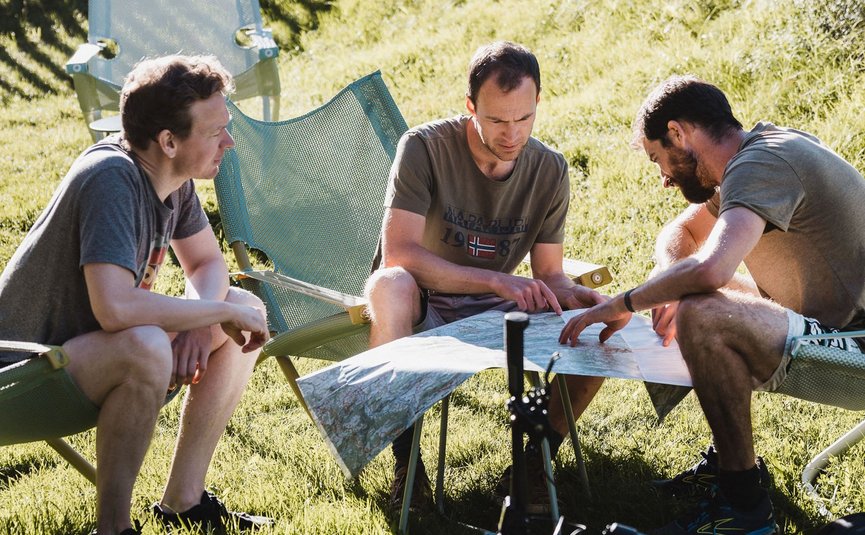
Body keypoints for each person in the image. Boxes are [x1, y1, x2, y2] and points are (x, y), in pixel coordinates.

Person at [560, 74, 865, 534]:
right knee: (693, 298)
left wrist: (625, 302)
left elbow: (711, 270)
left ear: (678, 133)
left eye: (658, 158)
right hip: (828, 321)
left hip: (856, 340)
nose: (664, 179)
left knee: (703, 312)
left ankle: (744, 511)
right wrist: (671, 279)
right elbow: (680, 233)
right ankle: (730, 469)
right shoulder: (750, 159)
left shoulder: (763, 164)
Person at [0, 55, 273, 535]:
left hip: (77, 361)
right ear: (168, 141)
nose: (228, 142)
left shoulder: (172, 180)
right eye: (215, 132)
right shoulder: (111, 179)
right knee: (148, 343)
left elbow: (206, 264)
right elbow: (115, 308)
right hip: (21, 378)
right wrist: (206, 314)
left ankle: (184, 501)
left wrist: (203, 321)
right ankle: (114, 529)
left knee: (243, 306)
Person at [363, 41, 627, 514]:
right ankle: (408, 469)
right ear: (470, 107)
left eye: (524, 118)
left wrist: (584, 299)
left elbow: (549, 274)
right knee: (390, 285)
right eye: (498, 120)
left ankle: (531, 466)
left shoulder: (550, 168)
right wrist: (496, 282)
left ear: (538, 101)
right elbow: (399, 254)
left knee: (589, 330)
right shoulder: (423, 147)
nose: (512, 133)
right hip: (424, 301)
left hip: (494, 309)